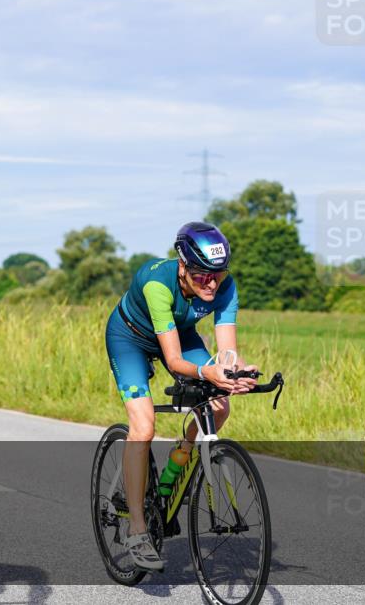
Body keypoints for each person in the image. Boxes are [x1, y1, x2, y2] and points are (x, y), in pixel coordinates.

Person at [105, 222, 257, 570]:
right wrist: (207, 372)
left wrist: (236, 371)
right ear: (183, 266)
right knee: (143, 427)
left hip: (181, 334)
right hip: (129, 339)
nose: (212, 283)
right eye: (203, 275)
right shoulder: (159, 284)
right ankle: (137, 529)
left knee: (218, 407)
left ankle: (178, 465)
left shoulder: (225, 286)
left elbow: (226, 352)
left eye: (218, 274)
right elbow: (173, 361)